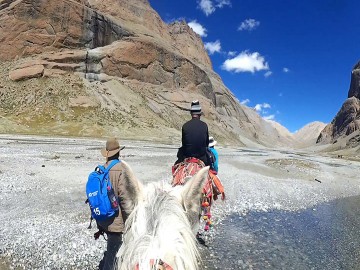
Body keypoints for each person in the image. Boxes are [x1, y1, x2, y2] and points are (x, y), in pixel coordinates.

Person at [97, 138, 126, 270]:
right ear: (118, 153)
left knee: (112, 246)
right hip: (116, 218)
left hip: (102, 217)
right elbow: (124, 196)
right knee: (113, 253)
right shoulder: (121, 168)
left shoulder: (101, 169)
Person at [175, 100, 210, 166]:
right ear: (200, 113)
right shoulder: (204, 125)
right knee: (210, 163)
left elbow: (184, 143)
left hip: (187, 157)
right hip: (202, 158)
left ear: (191, 113)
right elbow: (207, 143)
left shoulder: (185, 125)